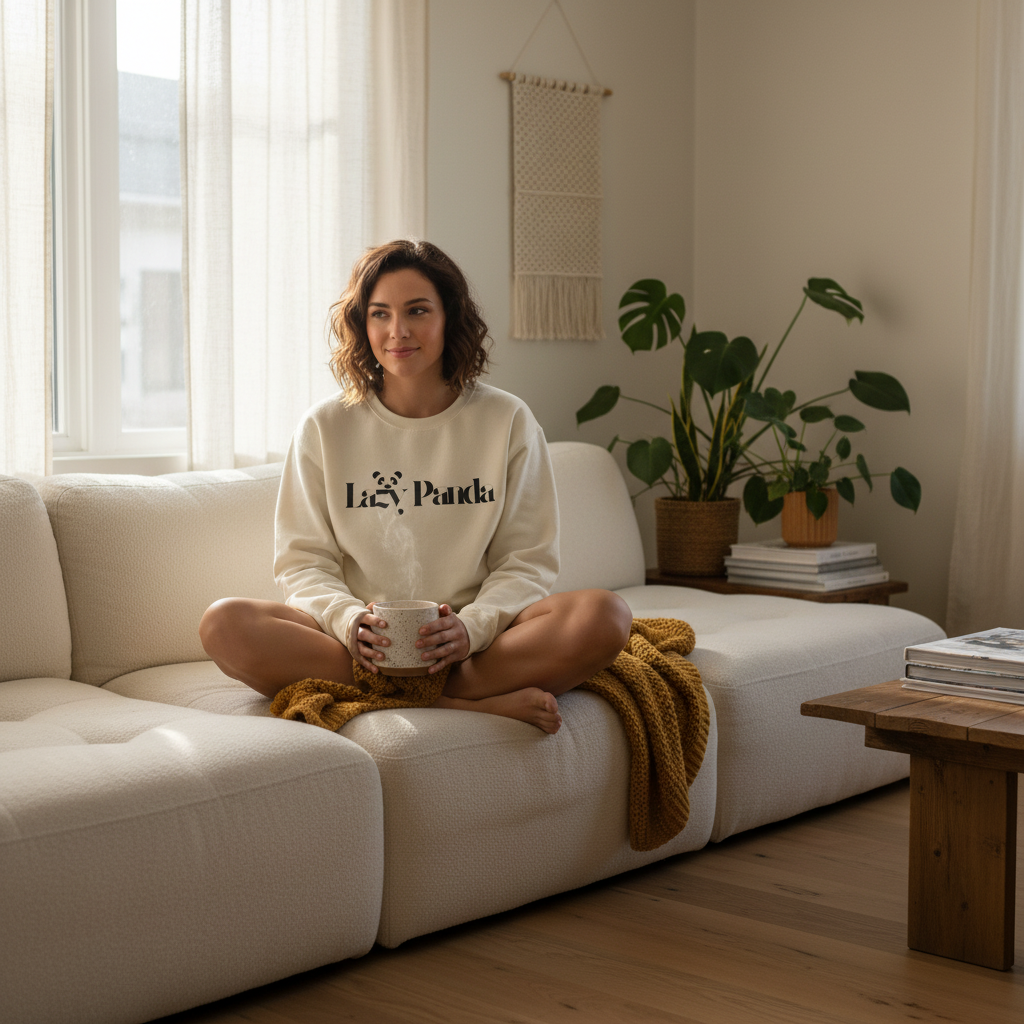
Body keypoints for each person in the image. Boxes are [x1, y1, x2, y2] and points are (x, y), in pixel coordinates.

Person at [199, 240, 632, 733]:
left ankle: (437, 690)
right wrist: (348, 621)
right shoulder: (324, 426)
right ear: (363, 324)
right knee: (223, 624)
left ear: (450, 318)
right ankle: (460, 703)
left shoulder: (506, 419)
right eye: (380, 314)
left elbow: (526, 560)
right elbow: (303, 562)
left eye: (418, 311)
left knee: (606, 615)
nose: (397, 331)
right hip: (358, 648)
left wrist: (471, 629)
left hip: (477, 644)